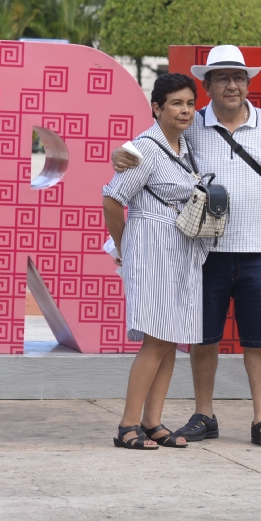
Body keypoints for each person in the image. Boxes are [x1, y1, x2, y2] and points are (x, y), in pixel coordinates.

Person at [111, 45, 261, 448]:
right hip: (202, 253)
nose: (232, 85)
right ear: (208, 85)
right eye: (222, 78)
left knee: (260, 339)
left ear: (248, 83)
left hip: (259, 248)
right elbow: (145, 145)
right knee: (202, 339)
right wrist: (121, 153)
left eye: (239, 77)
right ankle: (203, 414)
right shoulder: (189, 122)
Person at [100, 73, 209, 450]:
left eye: (190, 103)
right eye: (176, 103)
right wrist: (124, 246)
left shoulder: (185, 148)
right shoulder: (144, 149)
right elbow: (113, 199)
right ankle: (128, 425)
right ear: (156, 108)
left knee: (169, 340)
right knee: (156, 339)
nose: (185, 110)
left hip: (180, 250)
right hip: (151, 249)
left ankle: (152, 421)